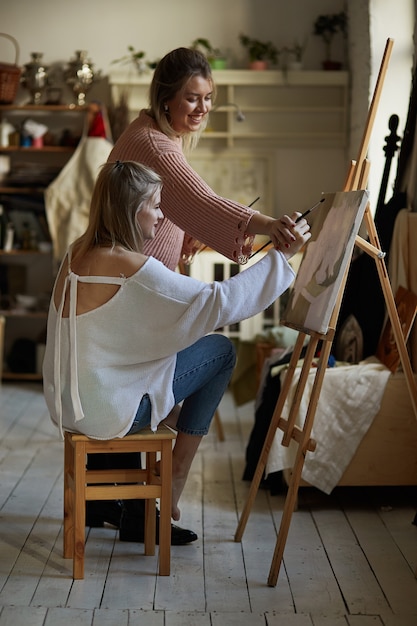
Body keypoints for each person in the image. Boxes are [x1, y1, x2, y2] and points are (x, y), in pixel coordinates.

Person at [88, 45, 309, 543]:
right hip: (131, 310)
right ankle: (161, 495)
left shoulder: (150, 135)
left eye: (208, 99)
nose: (202, 108)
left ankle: (114, 497)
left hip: (126, 306)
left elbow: (172, 210)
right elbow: (200, 200)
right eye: (192, 98)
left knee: (181, 363)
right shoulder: (157, 145)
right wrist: (271, 225)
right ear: (166, 98)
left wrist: (183, 233)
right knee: (219, 355)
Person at [42, 161, 311, 542]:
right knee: (220, 349)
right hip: (107, 413)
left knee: (167, 362)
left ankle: (127, 502)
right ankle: (176, 478)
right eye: (155, 205)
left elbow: (124, 329)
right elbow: (221, 300)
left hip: (71, 405)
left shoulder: (76, 253)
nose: (162, 215)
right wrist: (281, 257)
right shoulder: (131, 265)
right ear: (133, 210)